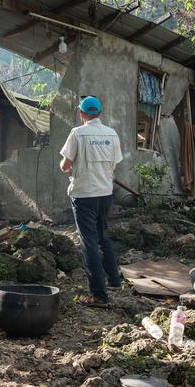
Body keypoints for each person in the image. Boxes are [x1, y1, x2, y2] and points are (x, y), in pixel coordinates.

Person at [59, 95, 123, 307]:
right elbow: (114, 165)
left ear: (82, 113)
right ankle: (114, 281)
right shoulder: (112, 134)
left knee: (89, 243)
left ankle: (99, 296)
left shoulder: (78, 133)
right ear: (99, 113)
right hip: (105, 193)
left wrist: (65, 165)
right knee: (103, 236)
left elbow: (65, 165)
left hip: (84, 195)